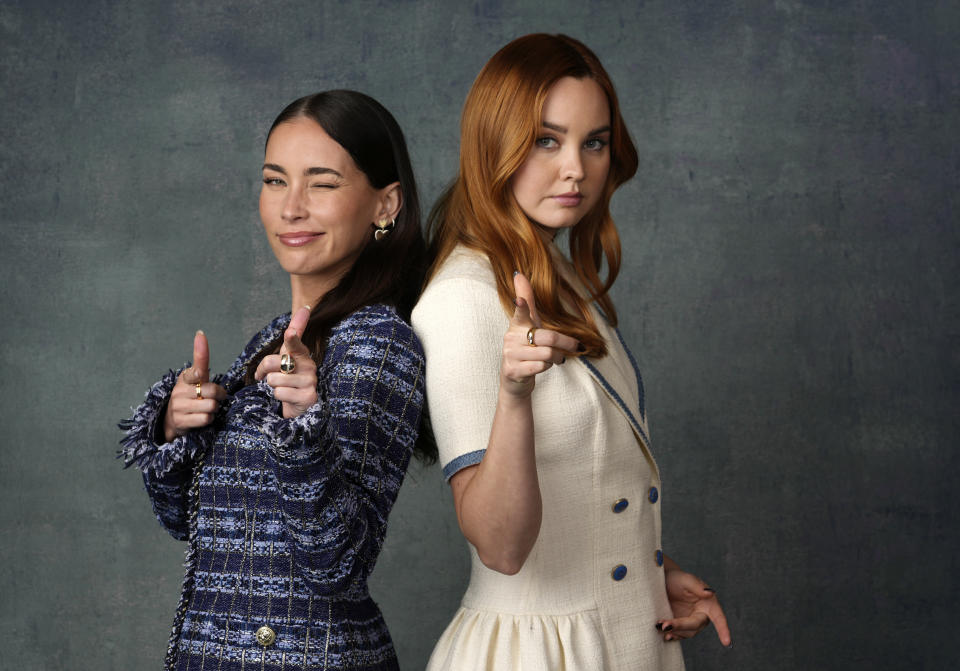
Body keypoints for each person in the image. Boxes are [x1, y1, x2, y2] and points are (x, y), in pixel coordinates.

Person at [412, 34, 731, 670]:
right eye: (546, 140)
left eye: (595, 142)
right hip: (539, 654)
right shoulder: (462, 299)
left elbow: (582, 483)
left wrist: (642, 575)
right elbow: (500, 547)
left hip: (620, 641)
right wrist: (513, 392)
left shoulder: (564, 278)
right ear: (494, 144)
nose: (576, 170)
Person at [119, 90, 434, 671]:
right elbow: (192, 526)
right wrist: (176, 427)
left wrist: (302, 429)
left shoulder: (379, 343)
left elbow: (339, 563)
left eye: (322, 182)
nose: (291, 207)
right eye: (274, 180)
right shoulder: (273, 339)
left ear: (385, 204)